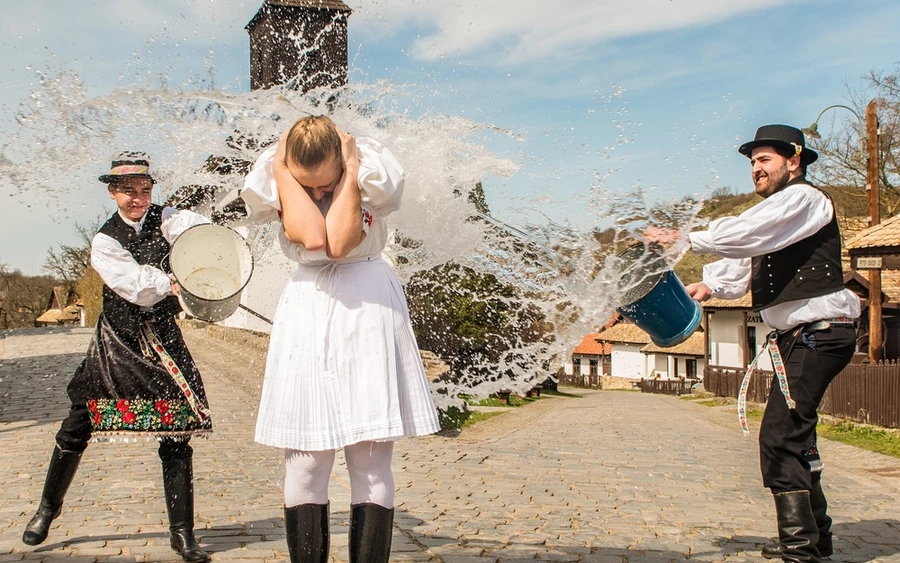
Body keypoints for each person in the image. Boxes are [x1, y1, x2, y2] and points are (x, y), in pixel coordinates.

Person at [646, 124, 860, 563]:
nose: (755, 169)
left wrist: (685, 237)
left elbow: (746, 234)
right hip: (804, 337)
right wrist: (707, 286)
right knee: (795, 437)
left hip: (820, 333)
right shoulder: (777, 219)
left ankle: (801, 553)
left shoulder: (804, 199)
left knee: (780, 437)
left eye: (764, 160)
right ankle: (813, 540)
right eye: (752, 163)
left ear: (794, 160)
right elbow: (746, 260)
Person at [241, 115, 441, 563]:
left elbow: (340, 242)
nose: (315, 194)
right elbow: (312, 237)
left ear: (343, 157)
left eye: (324, 183)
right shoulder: (272, 170)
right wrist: (279, 171)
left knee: (370, 462)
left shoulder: (370, 166)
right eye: (303, 185)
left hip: (368, 306)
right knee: (306, 460)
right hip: (307, 308)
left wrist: (350, 172)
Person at [22, 153, 214, 563]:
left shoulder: (167, 218)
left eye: (145, 190)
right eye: (129, 192)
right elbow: (137, 286)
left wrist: (206, 250)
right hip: (119, 341)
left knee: (177, 432)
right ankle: (46, 510)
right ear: (113, 193)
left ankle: (182, 534)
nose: (138, 199)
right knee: (78, 422)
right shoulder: (106, 240)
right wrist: (173, 280)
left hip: (163, 339)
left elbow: (201, 232)